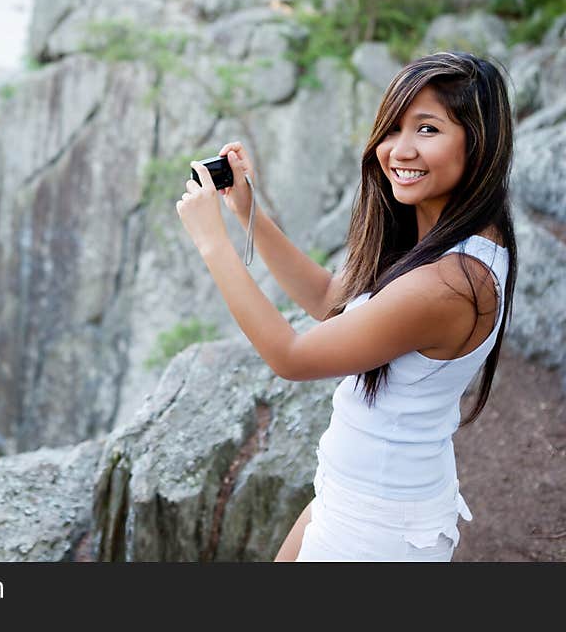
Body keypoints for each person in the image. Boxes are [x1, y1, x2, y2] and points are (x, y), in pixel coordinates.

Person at [175, 51, 518, 561]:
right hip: (358, 494)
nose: (399, 150)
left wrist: (212, 245)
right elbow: (328, 300)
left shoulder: (450, 283)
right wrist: (248, 213)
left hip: (377, 529)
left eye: (427, 130)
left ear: (479, 142)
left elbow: (291, 356)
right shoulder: (444, 244)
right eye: (392, 128)